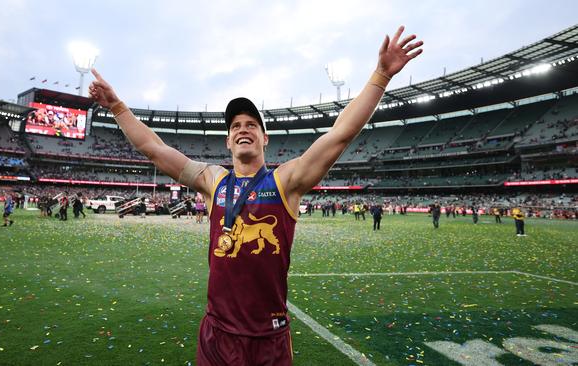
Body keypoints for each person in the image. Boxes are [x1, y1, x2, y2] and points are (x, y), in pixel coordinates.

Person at [88, 25, 422, 366]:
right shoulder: (212, 181)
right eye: (235, 126)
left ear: (264, 139)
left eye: (251, 124)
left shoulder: (285, 181)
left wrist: (381, 75)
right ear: (228, 142)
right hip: (217, 335)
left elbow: (339, 135)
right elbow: (154, 149)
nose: (242, 129)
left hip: (268, 338)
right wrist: (116, 106)